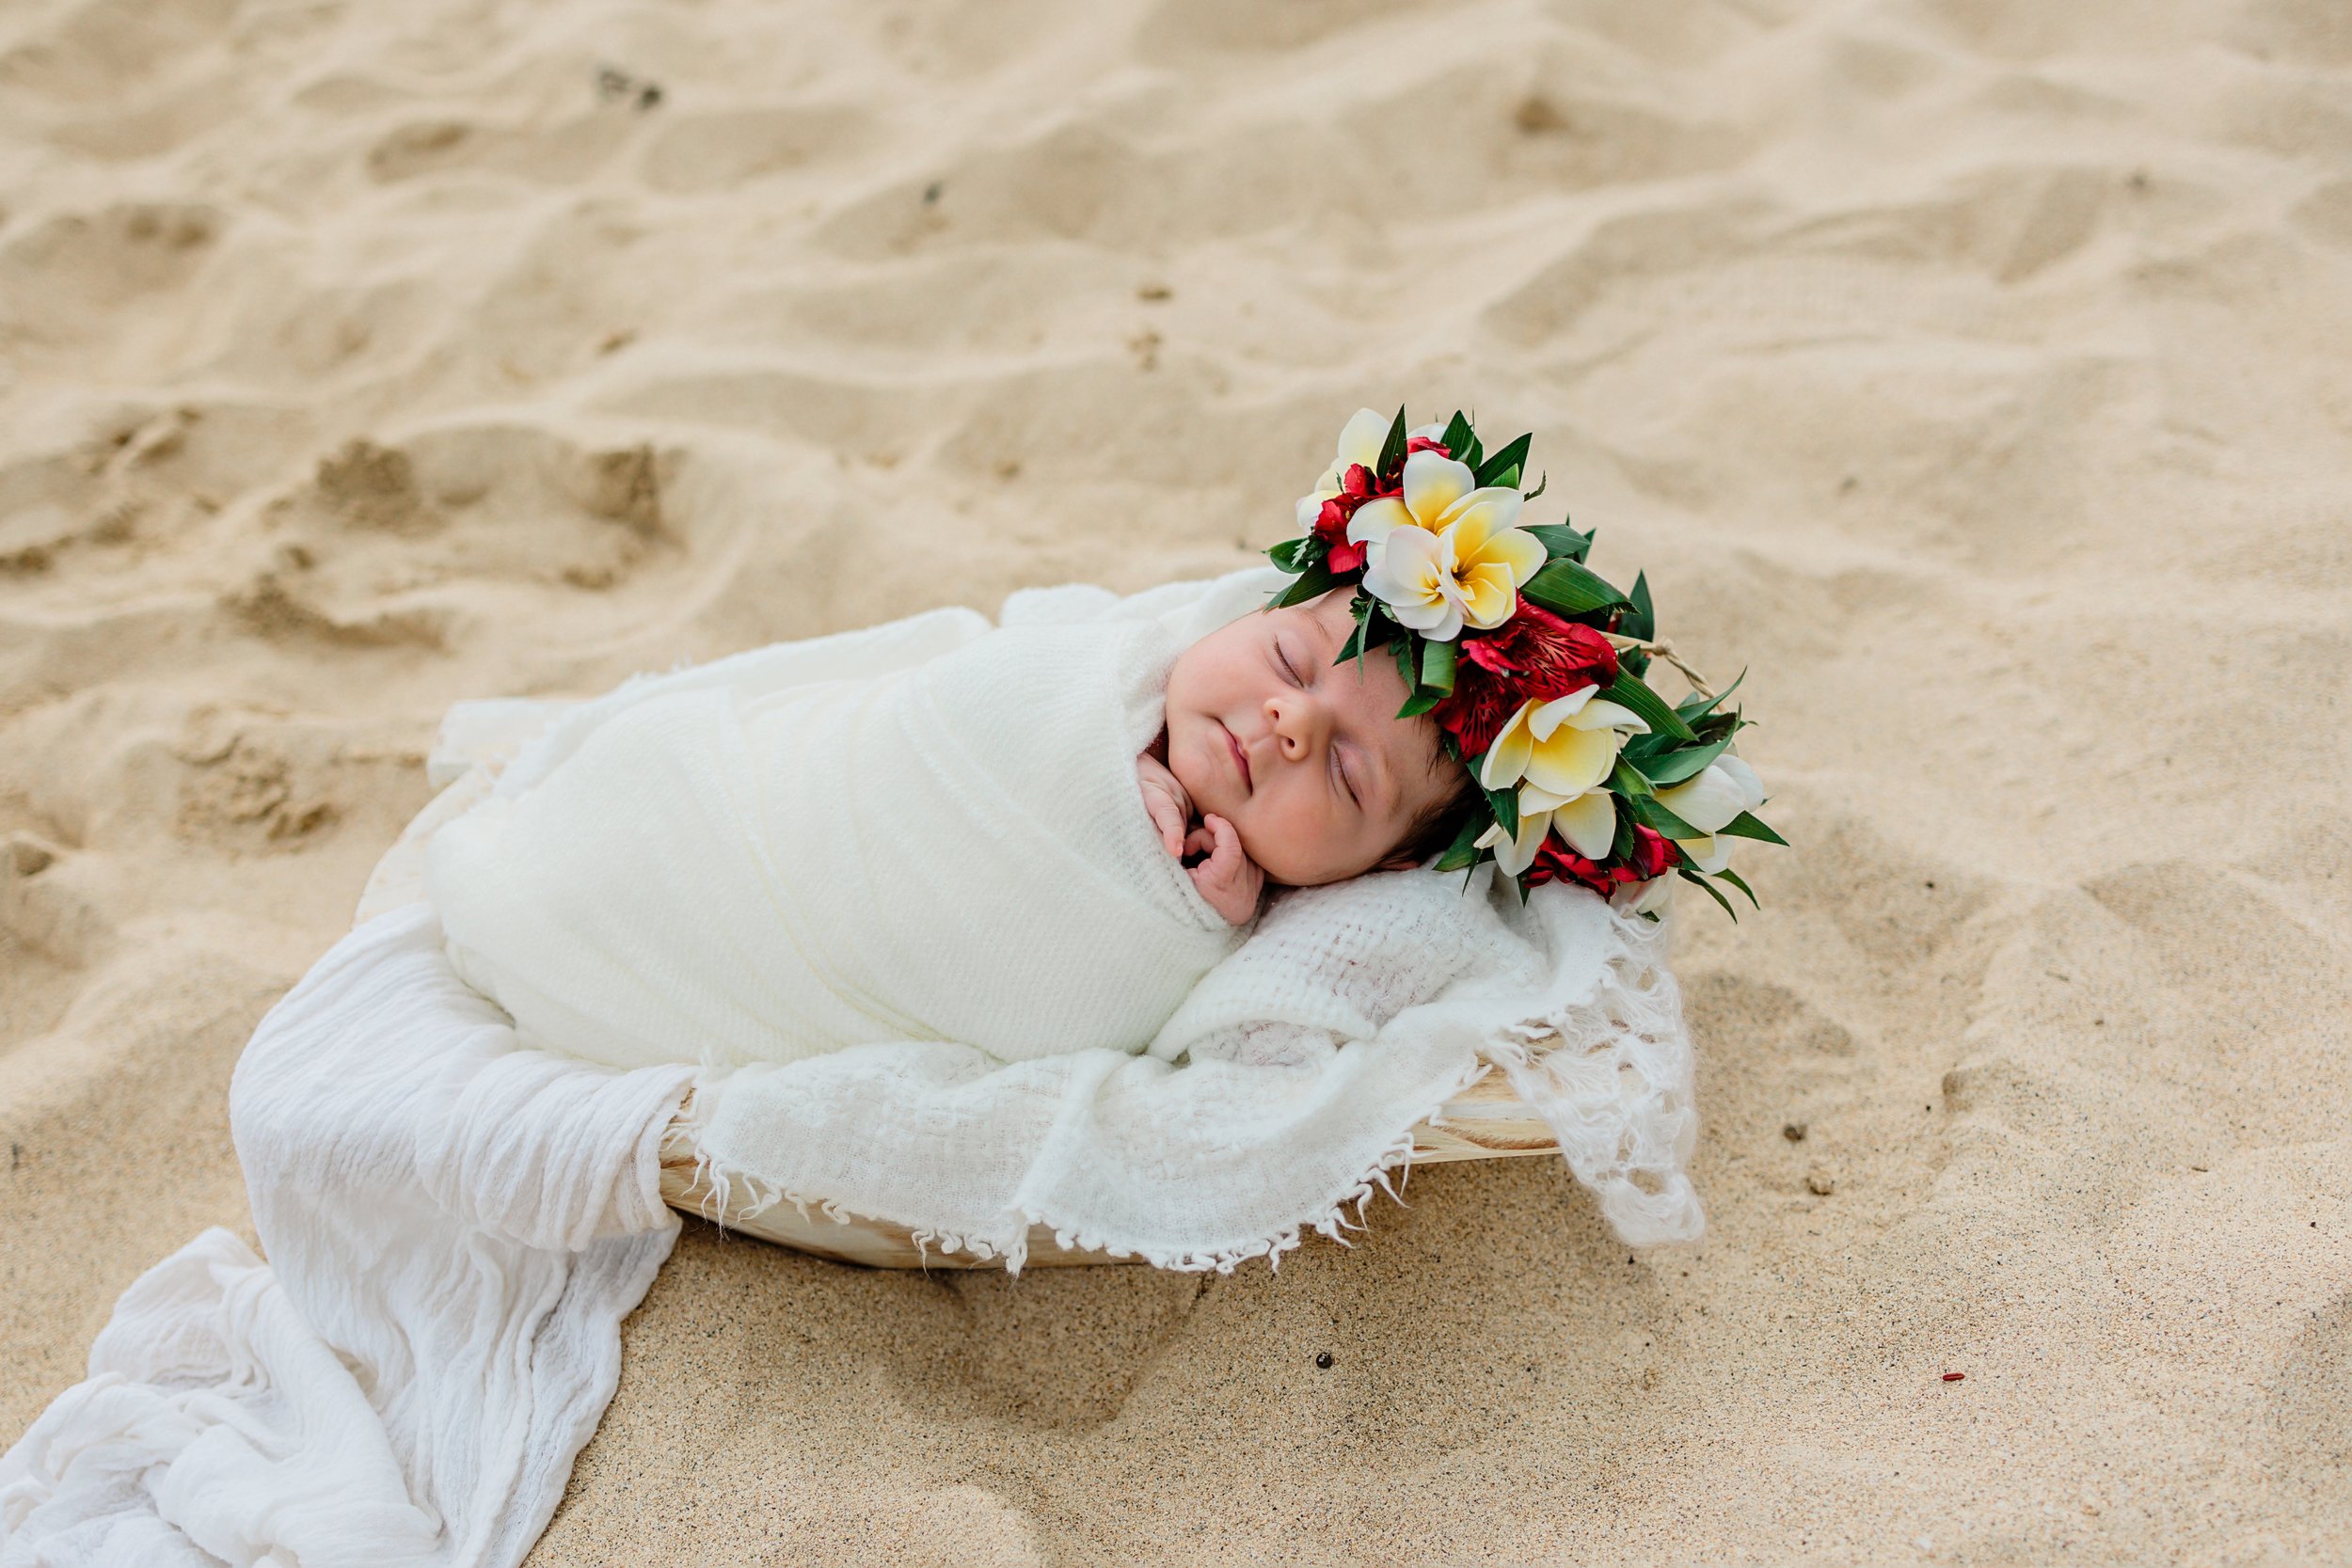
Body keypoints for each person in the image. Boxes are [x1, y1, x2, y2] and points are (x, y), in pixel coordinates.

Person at [1138, 584, 1478, 926]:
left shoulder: (1308, 940)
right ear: (1252, 612)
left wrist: (1209, 918)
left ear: (1380, 866)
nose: (1295, 721)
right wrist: (1116, 775)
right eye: (1288, 663)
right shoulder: (1125, 678)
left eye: (1343, 772)